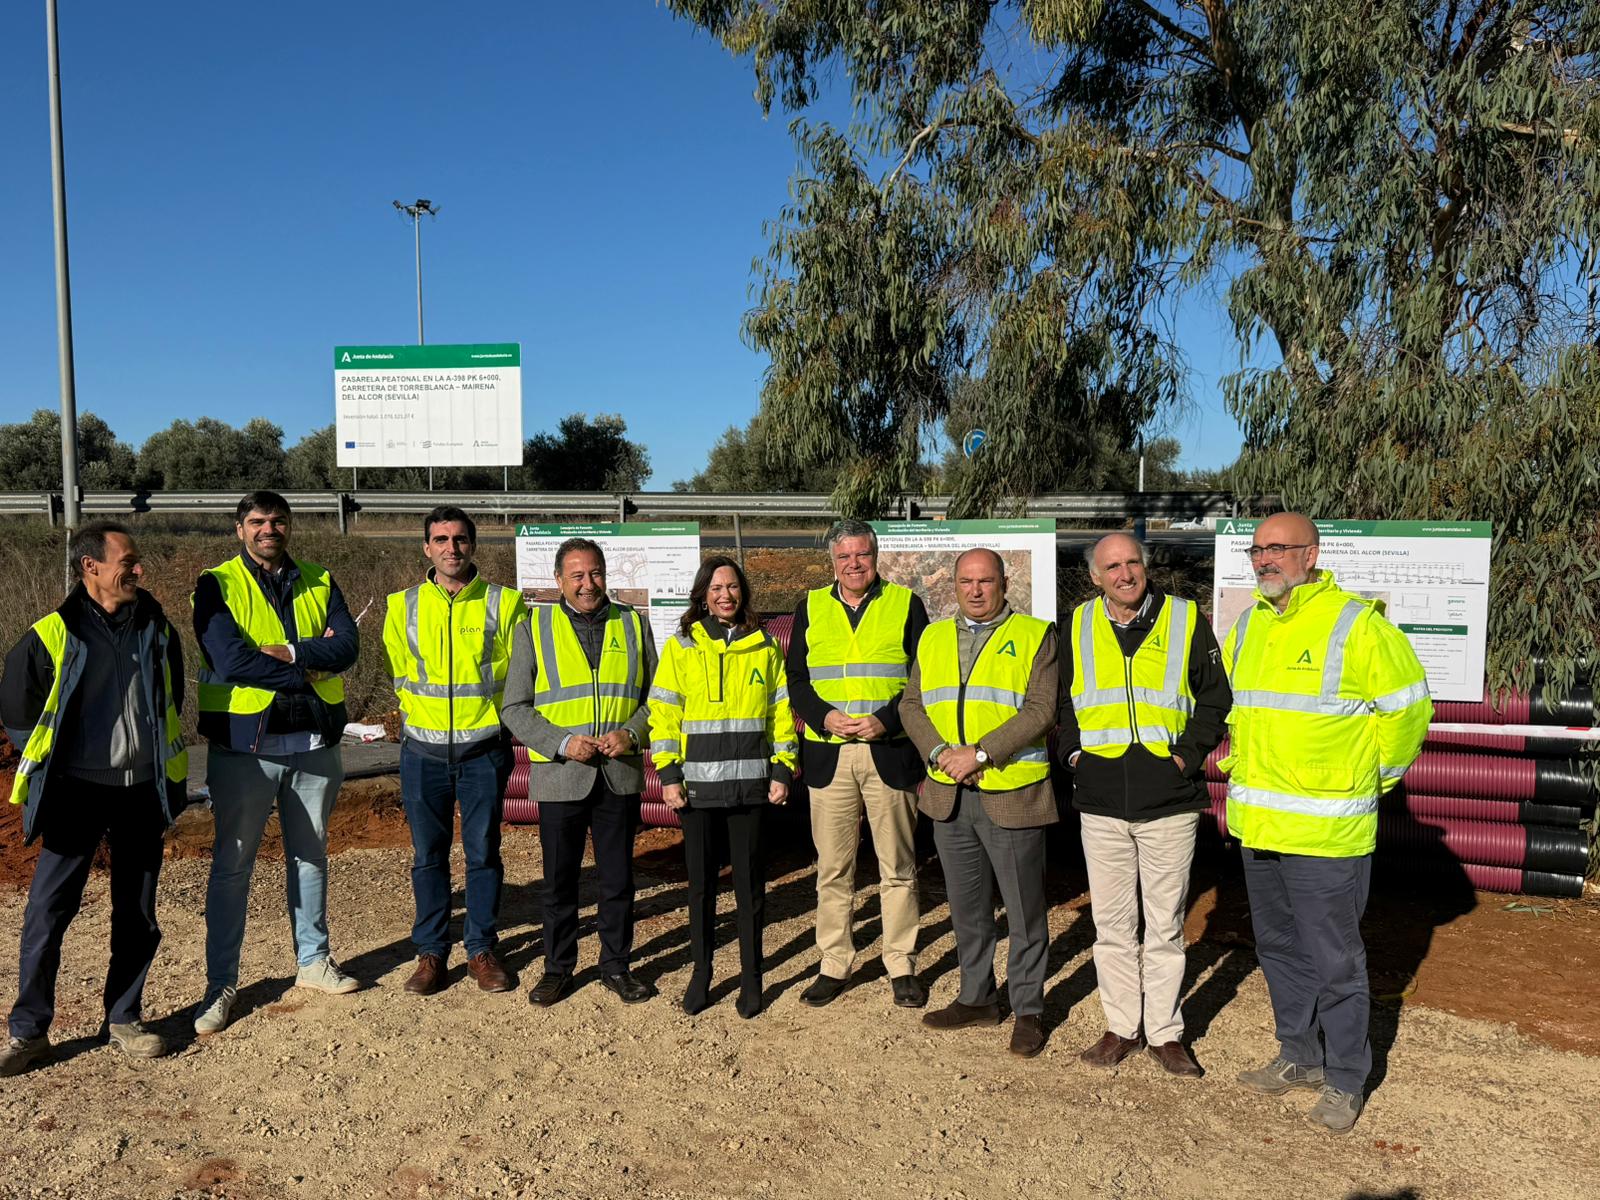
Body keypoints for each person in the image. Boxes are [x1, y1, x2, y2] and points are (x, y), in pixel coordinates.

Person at [1221, 512, 1432, 1133]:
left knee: (1336, 961)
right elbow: (1241, 712)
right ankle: (1300, 1055)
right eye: (1257, 550)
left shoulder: (1357, 624)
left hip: (1328, 833)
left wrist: (1370, 779)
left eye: (1278, 548)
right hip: (1261, 827)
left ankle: (1345, 1078)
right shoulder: (1250, 625)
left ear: (1311, 554)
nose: (1265, 559)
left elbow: (1409, 712)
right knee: (1278, 949)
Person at [0, 523, 188, 1074]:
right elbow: (17, 710)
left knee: (137, 912)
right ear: (91, 567)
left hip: (141, 791)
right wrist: (53, 765)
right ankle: (29, 1033)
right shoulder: (52, 633)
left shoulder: (157, 627)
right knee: (47, 913)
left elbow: (171, 696)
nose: (138, 570)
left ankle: (124, 1018)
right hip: (75, 793)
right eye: (128, 562)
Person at [1057, 533, 1232, 1076]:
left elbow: (1216, 696)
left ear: (1145, 566)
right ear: (1096, 576)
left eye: (1132, 562)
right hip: (1101, 798)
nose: (1125, 574)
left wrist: (1186, 756)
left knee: (1165, 925)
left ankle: (1164, 1032)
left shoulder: (1184, 618)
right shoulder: (1077, 624)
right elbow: (1063, 700)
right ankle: (1121, 1027)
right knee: (1111, 924)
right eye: (1112, 566)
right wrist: (1073, 755)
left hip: (1169, 799)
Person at [191, 490, 360, 1035]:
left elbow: (348, 647)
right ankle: (221, 984)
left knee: (311, 856)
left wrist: (288, 652)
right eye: (258, 521)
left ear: (290, 526)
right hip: (246, 746)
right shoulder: (216, 584)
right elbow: (230, 658)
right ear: (240, 528)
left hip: (313, 744)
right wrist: (307, 666)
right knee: (233, 866)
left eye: (279, 520)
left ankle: (314, 961)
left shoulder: (319, 578)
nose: (269, 529)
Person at [899, 548, 1058, 1057]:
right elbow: (911, 704)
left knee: (1024, 911)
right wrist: (941, 753)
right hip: (948, 794)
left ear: (1003, 583)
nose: (975, 590)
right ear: (954, 585)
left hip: (1010, 792)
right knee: (967, 908)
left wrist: (981, 753)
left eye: (985, 581)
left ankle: (1028, 1009)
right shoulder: (933, 636)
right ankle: (977, 998)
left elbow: (1042, 709)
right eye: (966, 581)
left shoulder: (1035, 634)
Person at [501, 537, 658, 1007]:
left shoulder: (633, 623)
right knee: (559, 882)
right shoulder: (534, 627)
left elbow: (658, 698)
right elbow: (514, 707)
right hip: (561, 774)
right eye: (576, 576)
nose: (588, 584)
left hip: (618, 772)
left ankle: (616, 966)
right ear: (558, 580)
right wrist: (562, 742)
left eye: (595, 574)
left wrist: (632, 733)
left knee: (617, 880)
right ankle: (558, 968)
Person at [383, 506, 528, 995]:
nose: (451, 548)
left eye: (460, 539)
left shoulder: (505, 603)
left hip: (483, 751)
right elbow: (401, 674)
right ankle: (431, 952)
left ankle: (481, 950)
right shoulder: (402, 605)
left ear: (473, 545)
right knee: (428, 855)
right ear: (427, 547)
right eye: (441, 539)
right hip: (422, 753)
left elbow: (518, 677)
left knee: (483, 852)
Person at [786, 519, 929, 1009]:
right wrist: (823, 716)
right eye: (844, 556)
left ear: (876, 556)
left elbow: (922, 678)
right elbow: (797, 679)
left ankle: (901, 964)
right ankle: (834, 963)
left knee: (898, 868)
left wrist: (886, 721)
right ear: (832, 562)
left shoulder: (906, 604)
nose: (853, 564)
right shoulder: (810, 606)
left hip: (889, 751)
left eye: (862, 555)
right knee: (833, 868)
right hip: (830, 753)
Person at [649, 556, 796, 1019]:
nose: (725, 595)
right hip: (697, 790)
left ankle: (752, 978)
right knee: (701, 888)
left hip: (750, 788)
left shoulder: (764, 646)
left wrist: (783, 769)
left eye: (732, 587)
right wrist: (668, 774)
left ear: (742, 592)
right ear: (703, 596)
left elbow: (780, 712)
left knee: (750, 887)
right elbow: (664, 713)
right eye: (715, 589)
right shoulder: (682, 646)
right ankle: (702, 973)